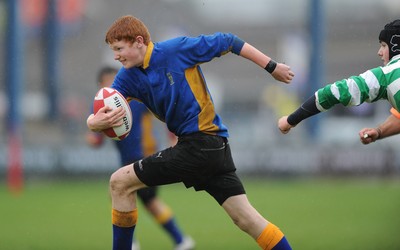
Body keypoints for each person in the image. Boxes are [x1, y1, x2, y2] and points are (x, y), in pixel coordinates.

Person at [86, 15, 294, 250]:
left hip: (202, 145)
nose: (116, 56)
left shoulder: (176, 50)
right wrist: (93, 122)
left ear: (138, 41)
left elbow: (228, 41)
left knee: (119, 183)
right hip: (211, 148)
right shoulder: (127, 76)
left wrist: (272, 66)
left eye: (119, 48)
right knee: (247, 220)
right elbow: (105, 108)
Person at [86, 66, 195, 250]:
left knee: (126, 195)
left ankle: (138, 242)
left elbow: (163, 110)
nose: (112, 85)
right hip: (127, 158)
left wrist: (173, 137)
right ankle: (179, 240)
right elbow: (97, 140)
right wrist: (92, 133)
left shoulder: (133, 96)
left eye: (114, 80)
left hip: (143, 154)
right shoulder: (100, 107)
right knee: (143, 200)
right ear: (101, 85)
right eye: (107, 81)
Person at [277, 19, 400, 145]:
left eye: (384, 45)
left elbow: (332, 93)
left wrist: (290, 120)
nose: (379, 52)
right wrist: (379, 131)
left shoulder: (387, 74)